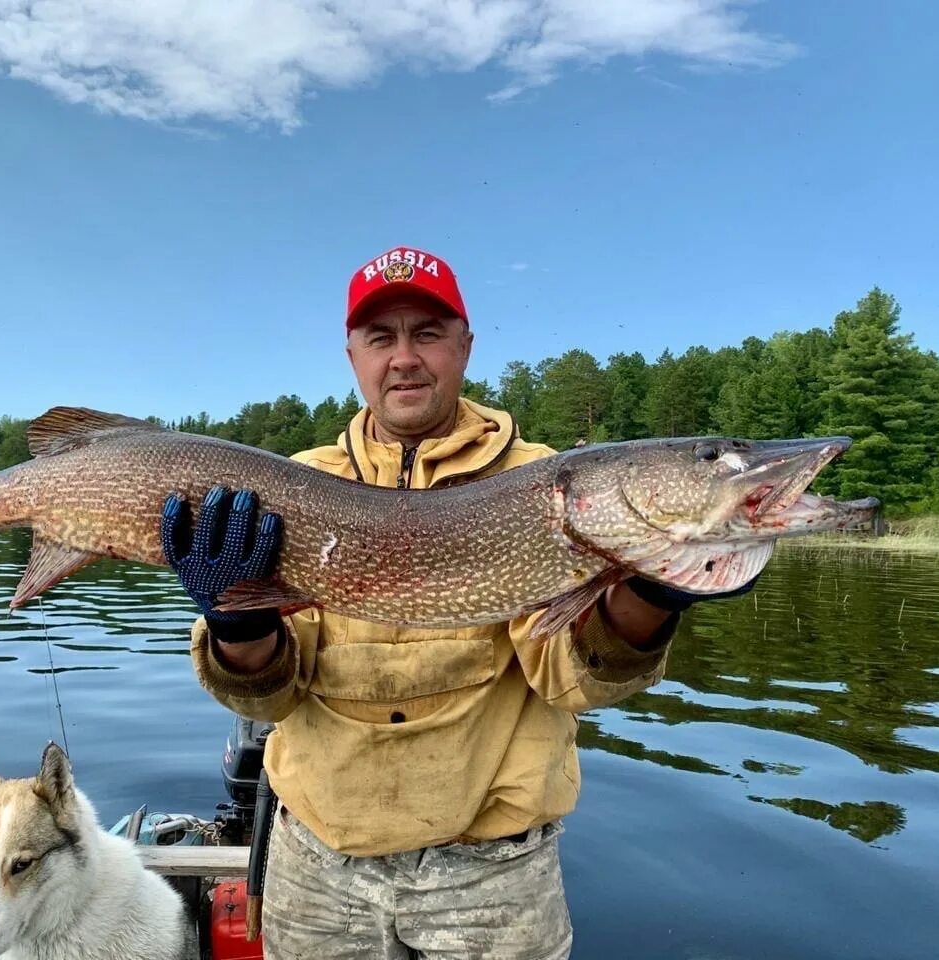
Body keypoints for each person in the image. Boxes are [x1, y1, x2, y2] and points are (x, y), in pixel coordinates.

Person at [160, 246, 755, 959]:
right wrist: (237, 623)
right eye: (381, 337)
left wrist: (650, 594)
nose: (404, 357)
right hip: (319, 868)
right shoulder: (288, 489)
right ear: (352, 355)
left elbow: (570, 678)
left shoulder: (543, 485)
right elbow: (267, 701)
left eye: (428, 333)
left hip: (493, 880)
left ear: (465, 346)